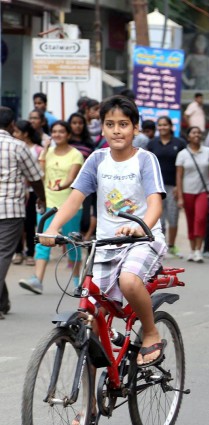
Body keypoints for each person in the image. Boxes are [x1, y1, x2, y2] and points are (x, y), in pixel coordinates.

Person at [40, 95, 167, 365]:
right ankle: (90, 403)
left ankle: (151, 332)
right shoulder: (96, 160)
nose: (117, 130)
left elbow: (155, 205)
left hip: (144, 239)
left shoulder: (145, 160)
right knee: (91, 321)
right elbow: (74, 200)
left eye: (123, 124)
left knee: (129, 282)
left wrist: (137, 226)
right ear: (102, 127)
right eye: (110, 124)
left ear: (135, 128)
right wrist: (52, 228)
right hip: (105, 244)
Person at [18, 121, 85, 295]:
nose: (57, 134)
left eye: (61, 131)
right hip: (48, 206)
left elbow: (72, 178)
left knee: (72, 244)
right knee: (42, 241)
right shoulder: (47, 153)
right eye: (54, 132)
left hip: (70, 205)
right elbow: (40, 175)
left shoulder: (75, 154)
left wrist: (61, 186)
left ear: (68, 134)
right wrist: (45, 150)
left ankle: (77, 280)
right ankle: (37, 280)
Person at [0, 107, 45, 319]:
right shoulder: (18, 146)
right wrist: (42, 198)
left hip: (10, 210)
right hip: (10, 210)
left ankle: (3, 301)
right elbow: (35, 177)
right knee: (3, 255)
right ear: (11, 126)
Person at [147, 116, 186, 257]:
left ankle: (172, 245)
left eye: (165, 125)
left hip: (173, 186)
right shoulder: (152, 144)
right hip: (155, 187)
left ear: (171, 127)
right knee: (159, 218)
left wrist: (179, 187)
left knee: (173, 216)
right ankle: (160, 247)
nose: (163, 127)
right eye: (160, 125)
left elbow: (183, 166)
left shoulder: (180, 143)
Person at [176, 126, 209, 263]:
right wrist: (180, 196)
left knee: (200, 219)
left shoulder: (208, 152)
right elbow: (179, 176)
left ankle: (199, 250)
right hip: (187, 191)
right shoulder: (182, 154)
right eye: (194, 132)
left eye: (199, 132)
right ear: (188, 137)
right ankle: (192, 250)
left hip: (204, 191)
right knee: (190, 220)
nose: (197, 135)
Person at [11, 120, 42, 266]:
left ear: (26, 133)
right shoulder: (13, 147)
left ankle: (30, 252)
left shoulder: (37, 150)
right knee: (17, 224)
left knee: (30, 223)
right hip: (17, 191)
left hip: (31, 191)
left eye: (17, 131)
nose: (14, 134)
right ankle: (18, 251)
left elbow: (38, 174)